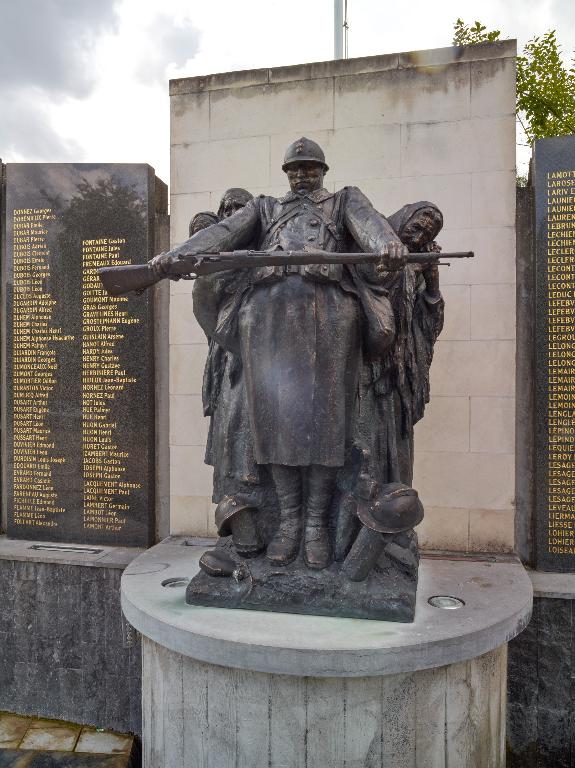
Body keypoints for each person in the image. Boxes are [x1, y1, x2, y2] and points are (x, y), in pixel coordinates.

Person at [151, 137, 407, 570]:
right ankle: (289, 522)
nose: (302, 175)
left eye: (310, 168)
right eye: (295, 169)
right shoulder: (266, 208)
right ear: (286, 173)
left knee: (327, 426)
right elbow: (222, 234)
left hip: (329, 315)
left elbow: (371, 227)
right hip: (267, 318)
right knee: (273, 423)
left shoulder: (345, 200)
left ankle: (315, 526)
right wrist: (176, 256)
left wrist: (389, 244)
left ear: (323, 170)